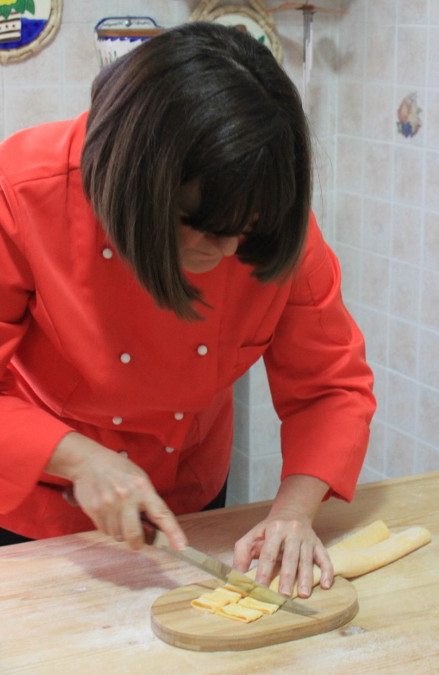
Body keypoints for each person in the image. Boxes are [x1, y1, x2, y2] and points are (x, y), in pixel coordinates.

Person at [0, 22, 375, 599]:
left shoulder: (275, 227)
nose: (225, 253)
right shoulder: (24, 190)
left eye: (244, 233)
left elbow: (330, 388)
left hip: (189, 491)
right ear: (134, 183)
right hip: (38, 494)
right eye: (198, 226)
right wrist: (76, 457)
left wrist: (294, 515)